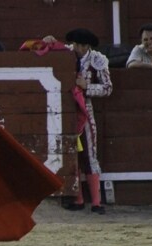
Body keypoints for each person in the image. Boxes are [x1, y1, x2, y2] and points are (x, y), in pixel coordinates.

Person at [44, 29, 111, 214]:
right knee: (72, 156)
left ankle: (96, 203)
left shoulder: (98, 59)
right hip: (66, 111)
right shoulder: (66, 53)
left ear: (88, 46)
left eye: (81, 45)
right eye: (75, 44)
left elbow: (107, 88)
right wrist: (48, 40)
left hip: (86, 111)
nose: (77, 48)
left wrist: (86, 86)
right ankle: (79, 200)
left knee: (89, 155)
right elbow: (49, 50)